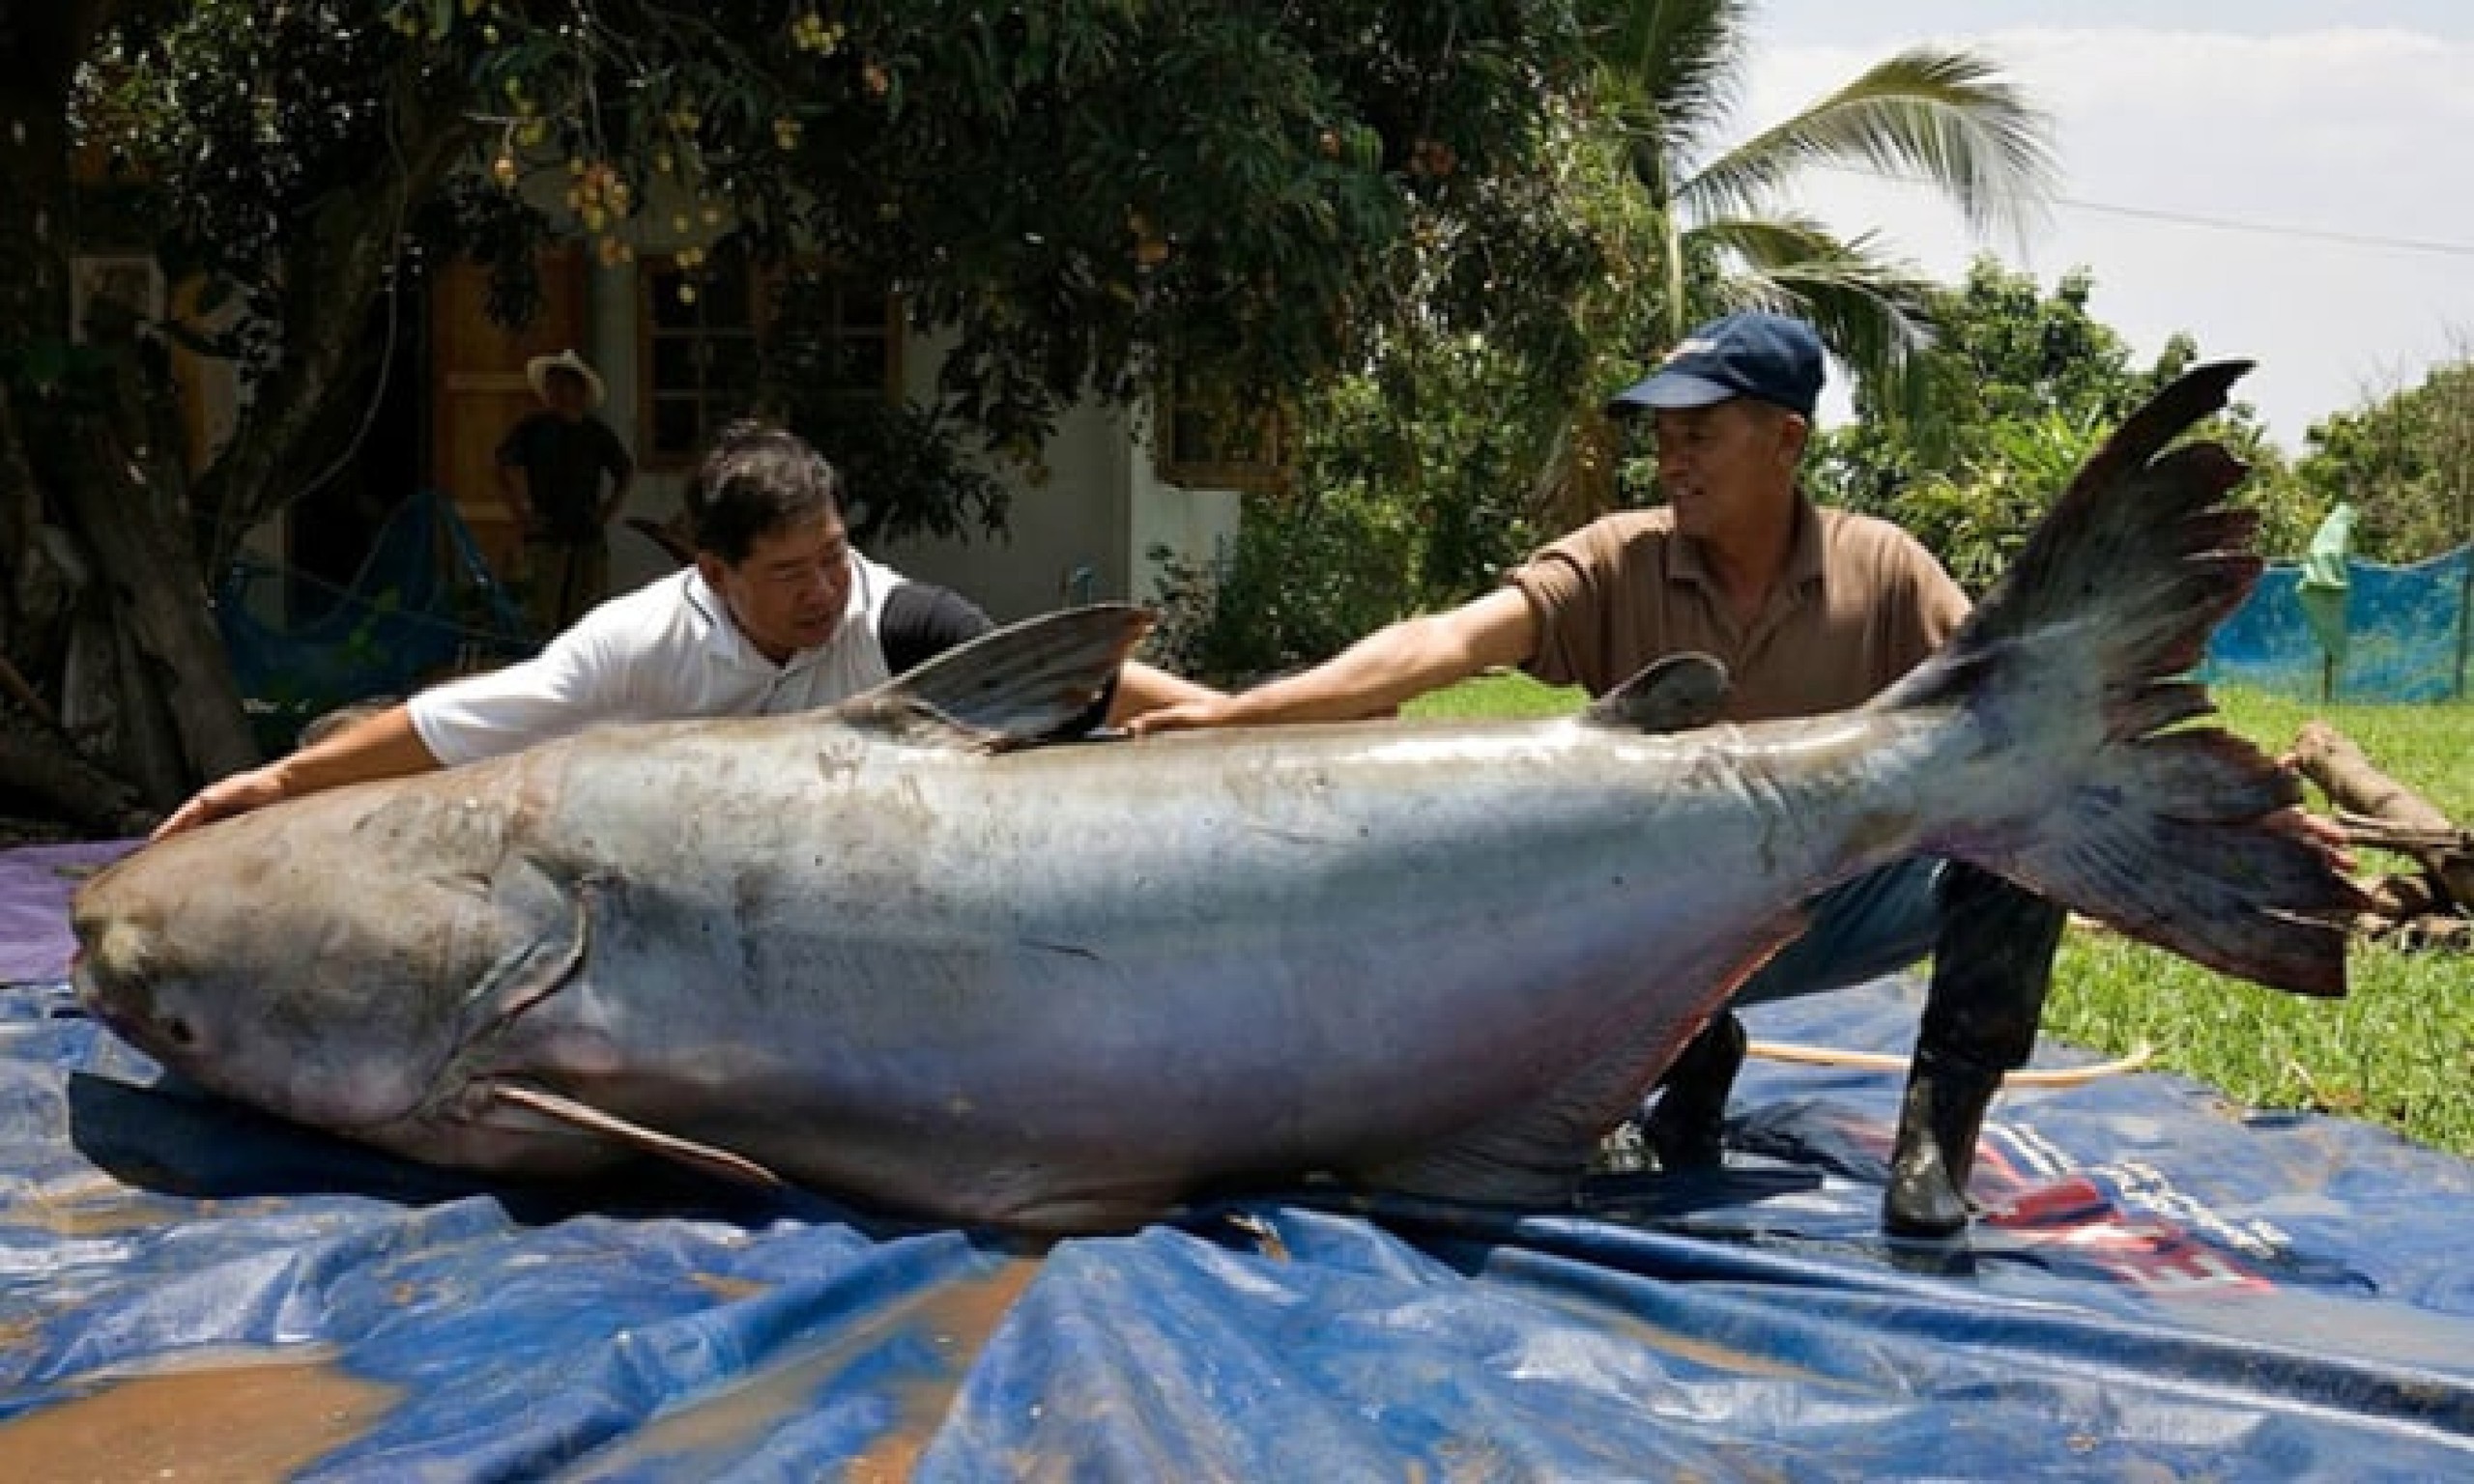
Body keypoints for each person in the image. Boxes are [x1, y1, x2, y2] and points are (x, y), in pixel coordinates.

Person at [1131, 311, 2073, 1237]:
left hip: (1834, 903)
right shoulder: (1619, 560)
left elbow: (2001, 703)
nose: (1671, 461)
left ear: (1785, 440)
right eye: (1662, 438)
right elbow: (1446, 641)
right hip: (1649, 928)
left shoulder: (1885, 569)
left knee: (2023, 822)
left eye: (1697, 435)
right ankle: (1671, 1062)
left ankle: (1935, 1144)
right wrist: (1236, 714)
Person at [156, 420, 1222, 841]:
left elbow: (1074, 680)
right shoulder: (630, 648)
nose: (823, 590)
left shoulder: (896, 619)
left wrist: (1247, 718)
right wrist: (281, 786)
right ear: (712, 572)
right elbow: (450, 726)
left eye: (834, 557)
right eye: (790, 573)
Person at [498, 349, 637, 634]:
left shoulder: (595, 433)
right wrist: (521, 510)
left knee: (585, 618)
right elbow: (504, 464)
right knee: (542, 615)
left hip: (586, 532)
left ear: (579, 389)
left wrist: (608, 509)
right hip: (547, 533)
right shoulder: (533, 429)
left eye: (563, 383)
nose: (556, 391)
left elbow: (625, 470)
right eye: (552, 384)